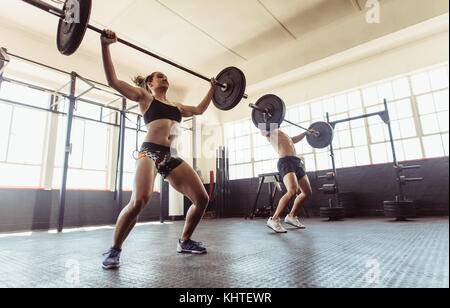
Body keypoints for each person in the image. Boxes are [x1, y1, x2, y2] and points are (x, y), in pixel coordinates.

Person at [100, 30, 216, 269]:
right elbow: (112, 81)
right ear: (150, 83)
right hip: (150, 151)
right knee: (140, 200)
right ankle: (115, 249)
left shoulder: (177, 106)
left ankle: (185, 240)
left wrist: (214, 88)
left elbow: (200, 110)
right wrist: (106, 46)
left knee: (202, 198)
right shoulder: (144, 97)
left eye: (165, 77)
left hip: (171, 157)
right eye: (159, 77)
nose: (164, 78)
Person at [262, 127, 314, 233]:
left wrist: (305, 133)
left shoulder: (282, 133)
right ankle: (274, 219)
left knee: (307, 192)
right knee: (292, 190)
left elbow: (292, 140)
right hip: (285, 162)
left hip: (296, 161)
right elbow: (263, 131)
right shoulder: (270, 131)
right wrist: (267, 123)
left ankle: (291, 216)